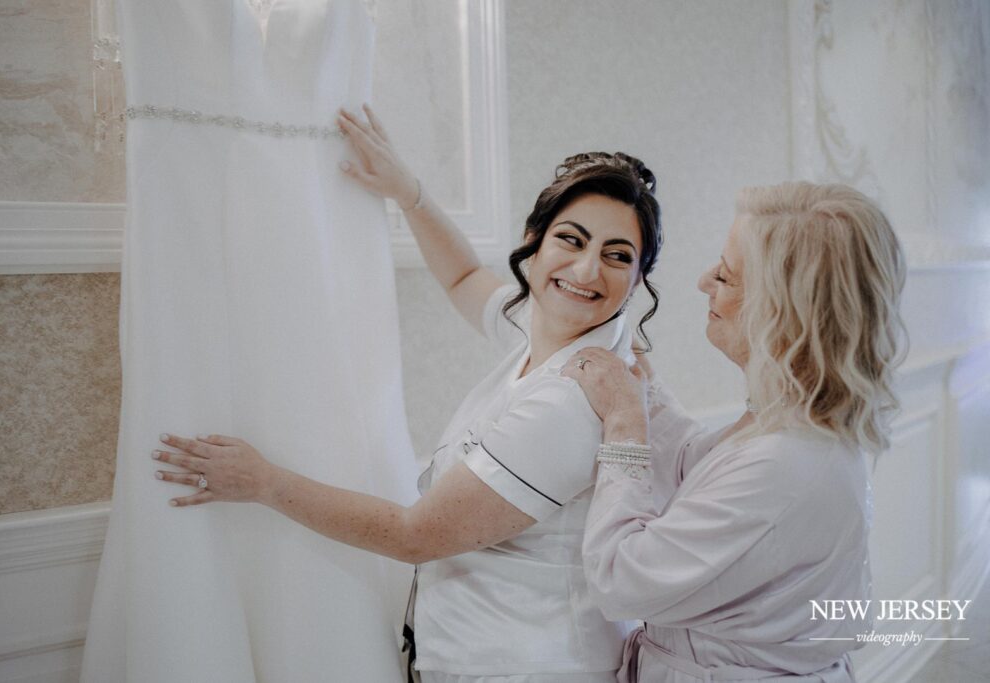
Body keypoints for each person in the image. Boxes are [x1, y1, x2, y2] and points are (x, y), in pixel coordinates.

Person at [151, 105, 663, 682]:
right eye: (572, 240)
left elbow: (415, 535)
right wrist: (409, 192)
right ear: (534, 243)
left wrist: (263, 481)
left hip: (528, 666)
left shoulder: (573, 402)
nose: (588, 270)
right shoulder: (546, 327)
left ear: (639, 276)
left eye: (618, 256)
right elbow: (465, 278)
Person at [561, 182, 906, 682]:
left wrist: (625, 424)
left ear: (782, 311)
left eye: (724, 275)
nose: (704, 282)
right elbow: (699, 468)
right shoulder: (792, 420)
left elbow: (621, 580)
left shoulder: (788, 463)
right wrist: (643, 387)